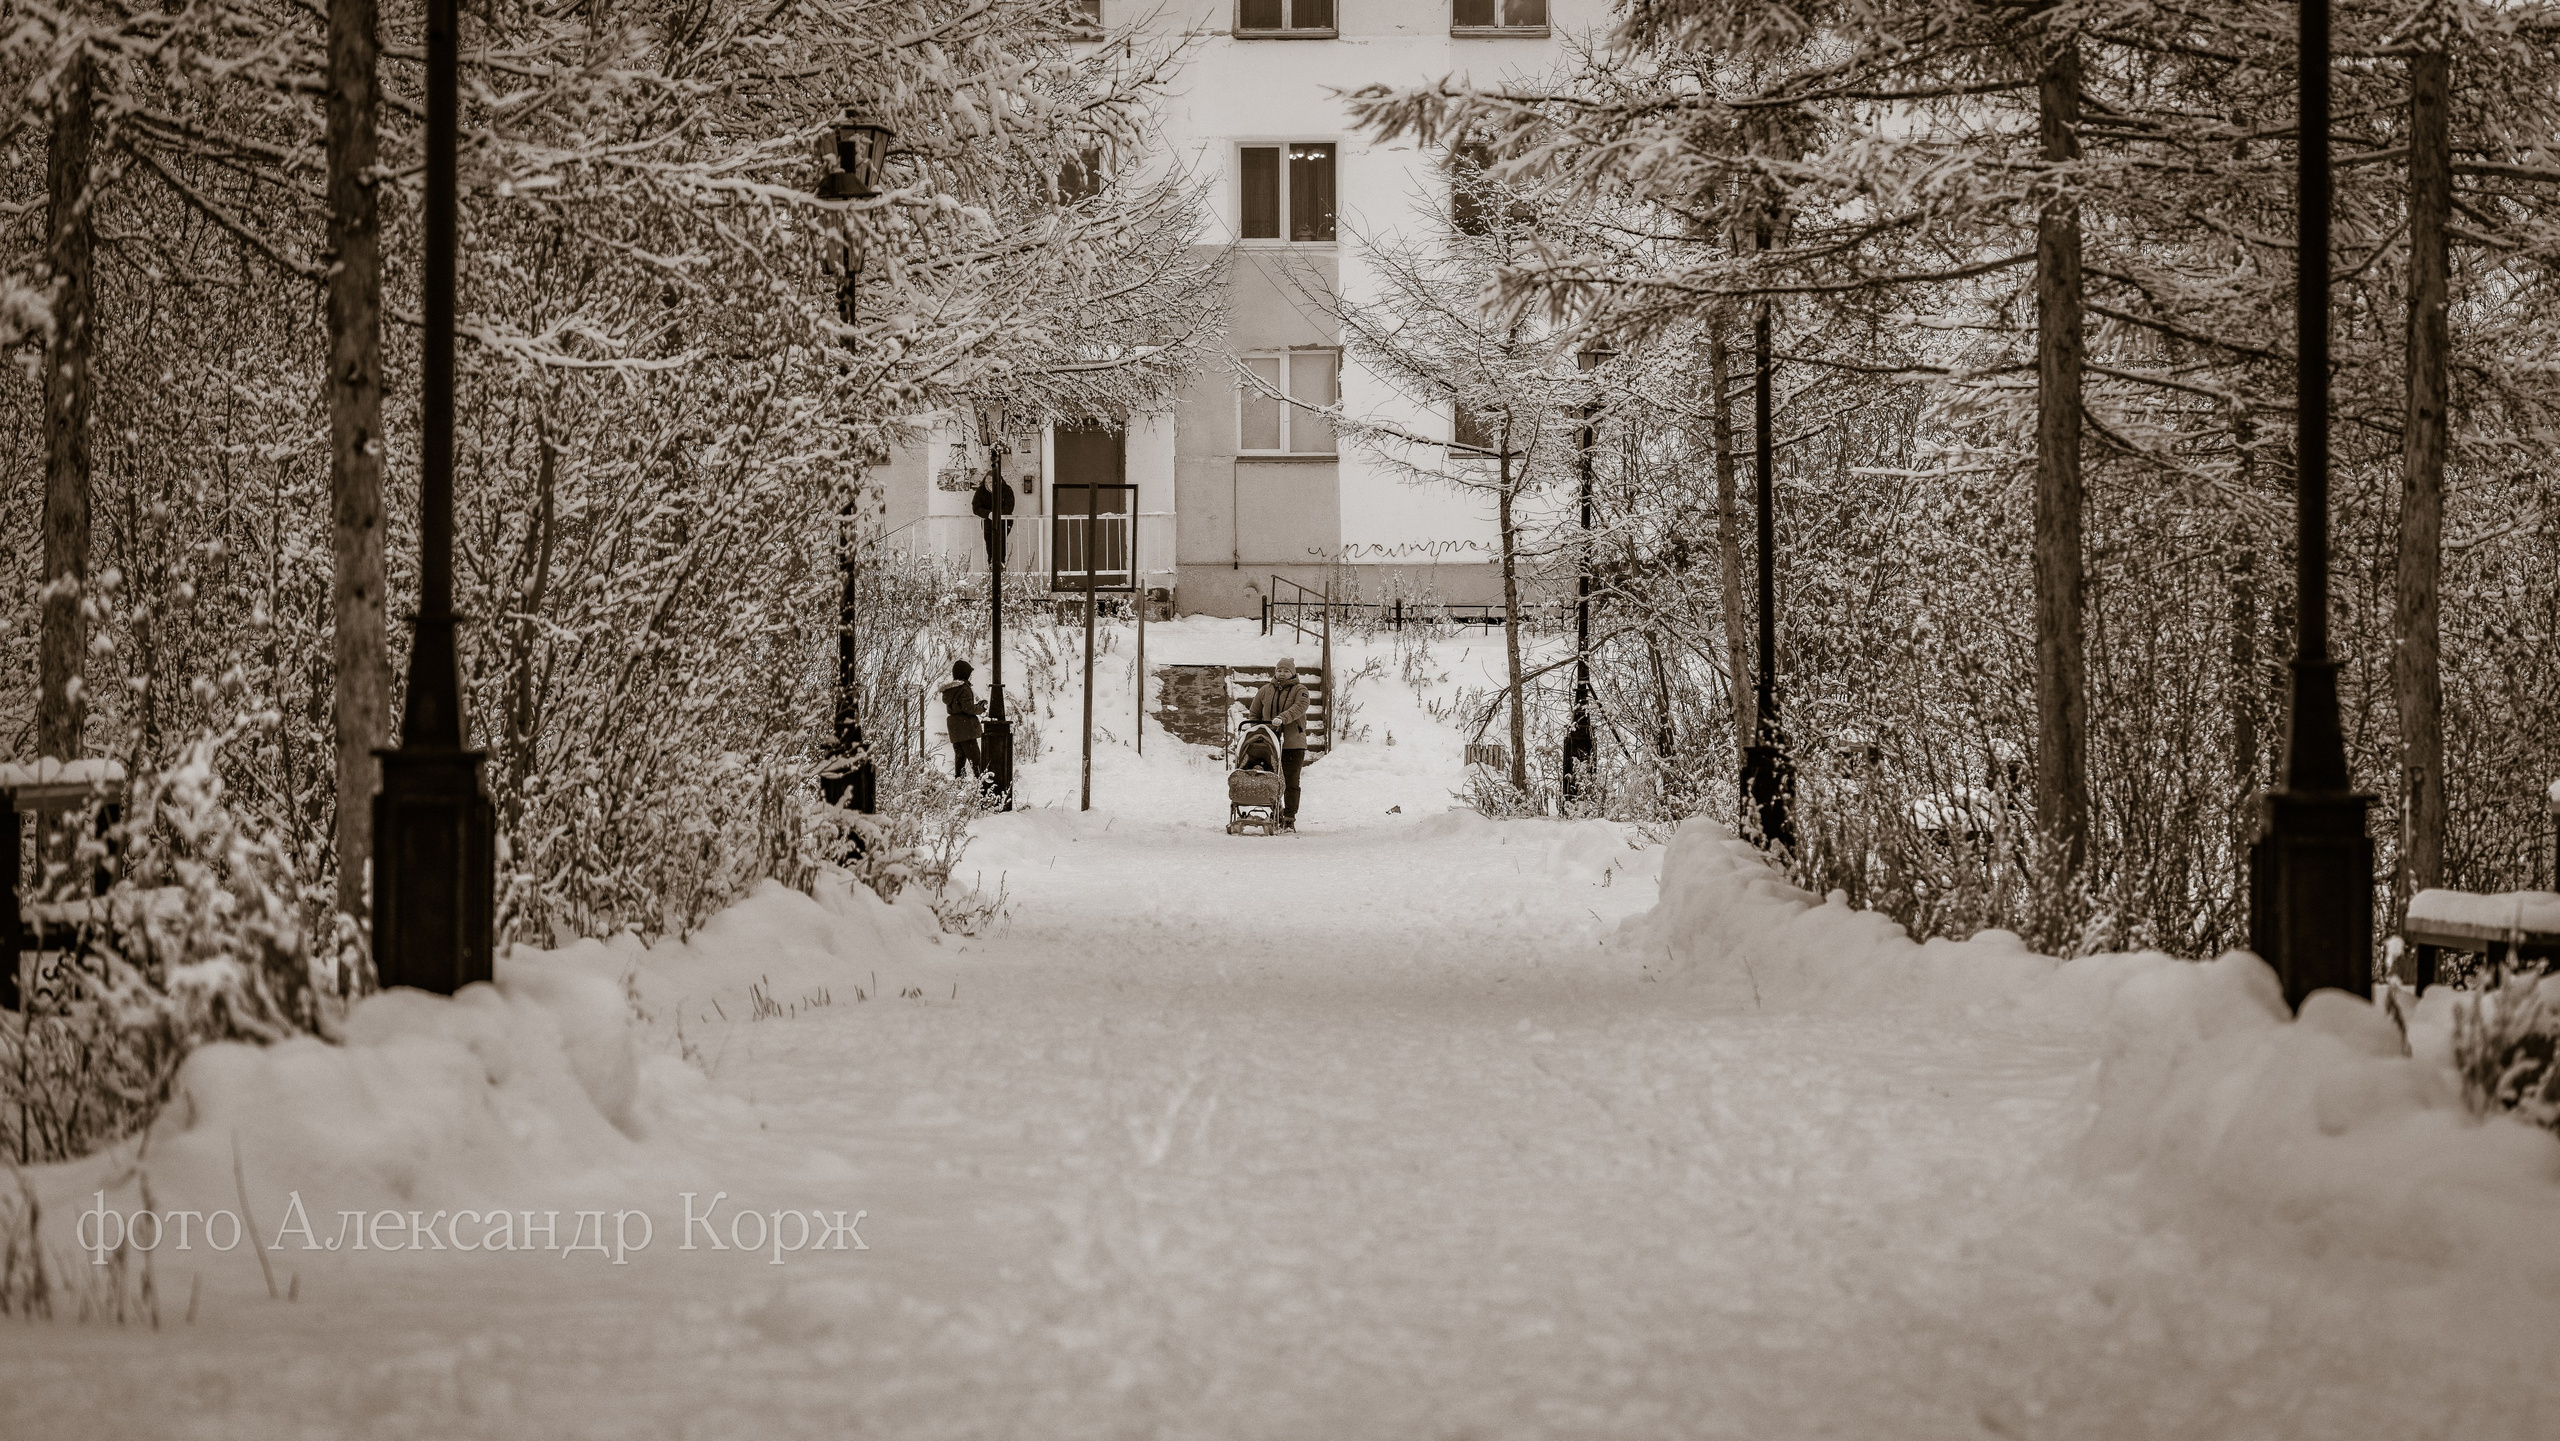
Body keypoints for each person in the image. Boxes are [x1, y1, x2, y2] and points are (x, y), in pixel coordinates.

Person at [1247, 656, 1310, 831]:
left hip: (1292, 743)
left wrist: (1282, 718)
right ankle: (1275, 810)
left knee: (1291, 781)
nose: (1282, 674)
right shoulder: (1266, 690)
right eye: (1279, 670)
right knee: (1269, 780)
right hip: (1269, 744)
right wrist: (1259, 731)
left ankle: (1289, 817)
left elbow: (1300, 707)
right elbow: (1254, 712)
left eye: (1286, 671)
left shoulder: (1300, 690)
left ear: (1293, 673)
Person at [940, 660, 985, 780]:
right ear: (964, 673)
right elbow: (968, 708)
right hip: (966, 729)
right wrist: (980, 709)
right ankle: (981, 785)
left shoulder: (950, 689)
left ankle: (959, 783)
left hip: (955, 728)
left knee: (960, 757)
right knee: (975, 759)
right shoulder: (964, 688)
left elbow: (960, 706)